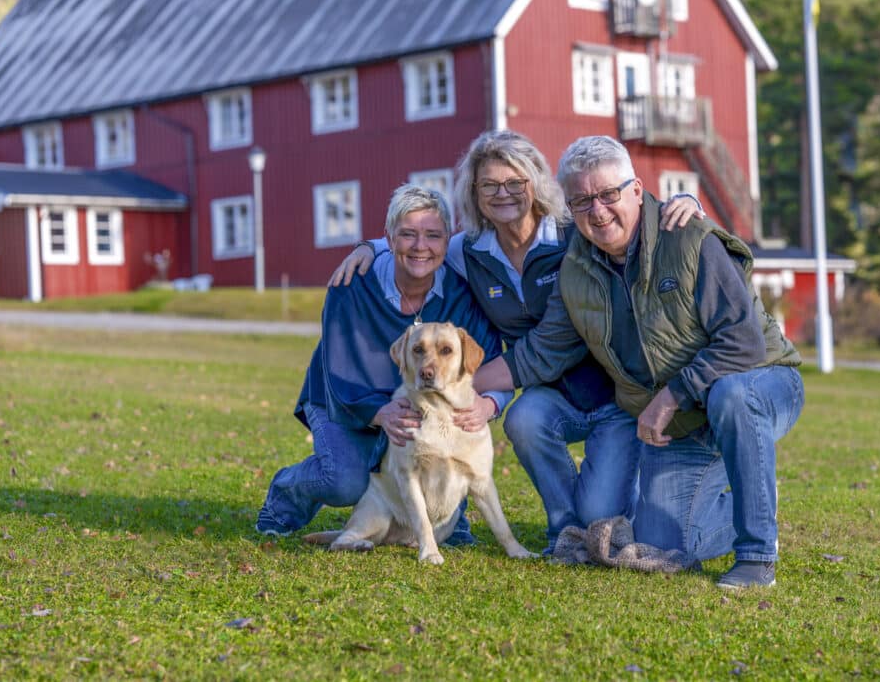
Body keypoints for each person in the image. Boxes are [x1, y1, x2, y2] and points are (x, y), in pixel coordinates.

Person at [329, 130, 704, 554]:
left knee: (602, 509)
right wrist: (372, 247)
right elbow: (421, 243)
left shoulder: (571, 235)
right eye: (489, 184)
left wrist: (687, 203)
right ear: (475, 193)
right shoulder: (469, 250)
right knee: (522, 418)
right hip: (549, 394)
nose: (503, 193)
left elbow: (623, 219)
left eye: (515, 182)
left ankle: (610, 508)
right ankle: (565, 534)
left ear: (536, 183)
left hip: (614, 395)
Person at [474, 135, 804, 588]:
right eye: (583, 200)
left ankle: (756, 553)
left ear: (636, 189)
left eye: (609, 194)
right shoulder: (576, 269)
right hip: (684, 424)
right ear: (569, 207)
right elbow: (542, 352)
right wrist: (454, 389)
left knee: (731, 393)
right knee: (658, 541)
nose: (598, 210)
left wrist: (671, 395)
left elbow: (743, 343)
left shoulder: (688, 237)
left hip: (760, 383)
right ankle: (756, 496)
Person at [256, 184, 511, 541]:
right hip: (343, 401)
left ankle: (449, 519)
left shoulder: (460, 293)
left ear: (447, 241)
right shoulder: (352, 285)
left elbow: (492, 363)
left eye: (432, 236)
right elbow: (339, 373)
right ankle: (285, 496)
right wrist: (380, 413)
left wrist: (490, 403)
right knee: (344, 481)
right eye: (407, 234)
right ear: (389, 238)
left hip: (416, 407)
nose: (420, 246)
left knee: (442, 428)